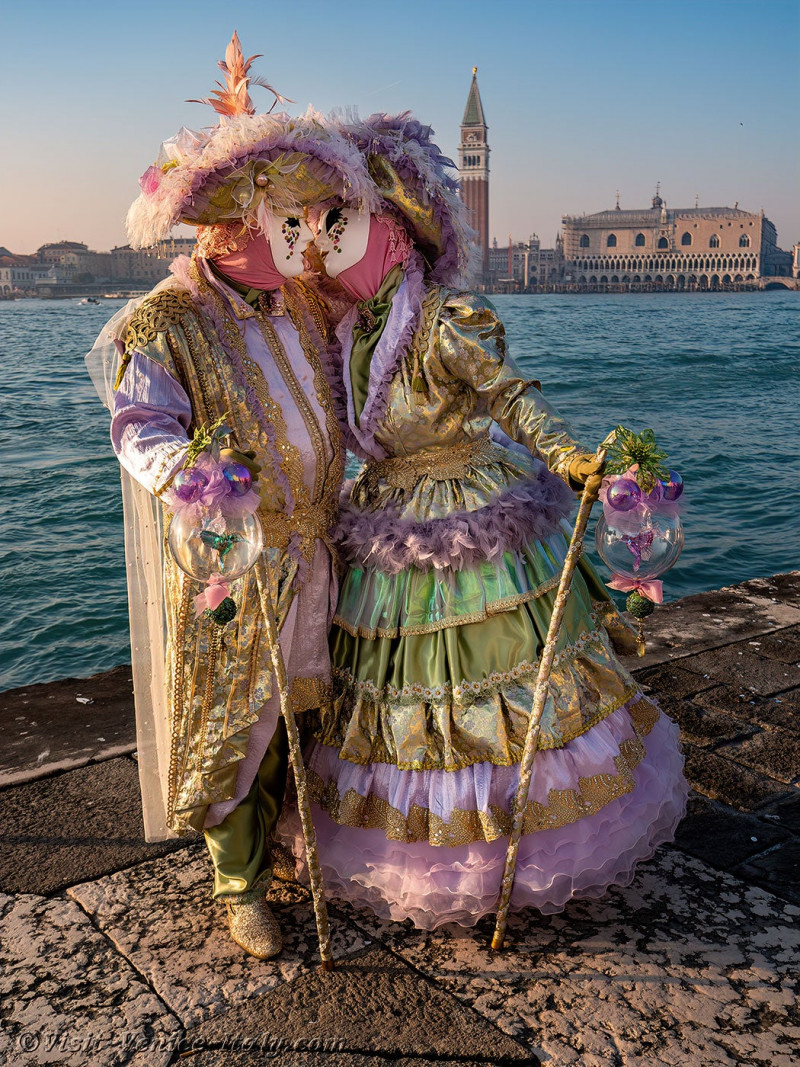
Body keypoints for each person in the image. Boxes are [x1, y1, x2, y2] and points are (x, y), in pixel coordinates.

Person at [278, 113, 688, 929]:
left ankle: (513, 840)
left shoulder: (445, 323)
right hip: (389, 514)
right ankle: (415, 839)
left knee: (491, 681)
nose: (324, 251)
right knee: (397, 689)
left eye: (342, 230)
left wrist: (567, 455)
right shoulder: (348, 337)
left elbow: (512, 396)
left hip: (471, 509)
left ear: (395, 237)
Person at [86, 34, 374, 958]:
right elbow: (140, 427)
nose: (303, 233)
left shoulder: (302, 303)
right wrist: (199, 482)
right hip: (236, 557)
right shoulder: (162, 321)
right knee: (238, 722)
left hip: (318, 546)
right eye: (285, 216)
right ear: (230, 224)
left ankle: (297, 844)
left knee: (311, 704)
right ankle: (238, 881)